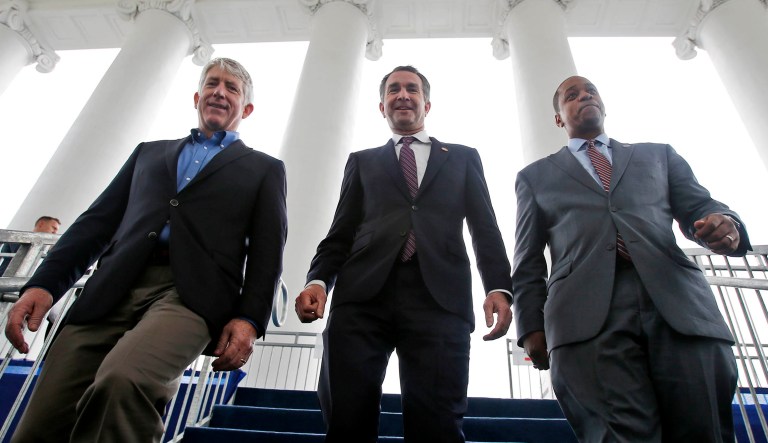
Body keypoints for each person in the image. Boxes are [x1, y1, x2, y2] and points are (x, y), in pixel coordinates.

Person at [4, 57, 287, 442]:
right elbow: (95, 224)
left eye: (232, 88)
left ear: (247, 108)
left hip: (189, 297)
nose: (219, 92)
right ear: (197, 96)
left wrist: (250, 319)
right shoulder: (147, 154)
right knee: (44, 420)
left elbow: (269, 253)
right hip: (112, 286)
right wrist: (44, 285)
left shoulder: (264, 169)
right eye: (212, 83)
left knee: (126, 380)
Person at [512, 75, 751, 442]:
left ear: (604, 105)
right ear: (559, 118)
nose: (584, 97)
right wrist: (530, 327)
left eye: (591, 91)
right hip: (586, 320)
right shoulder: (534, 177)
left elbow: (700, 206)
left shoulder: (658, 155)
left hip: (678, 306)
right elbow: (527, 259)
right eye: (571, 96)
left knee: (703, 430)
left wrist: (727, 225)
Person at [295, 65, 513, 442]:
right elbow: (341, 232)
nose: (402, 95)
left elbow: (485, 228)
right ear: (382, 107)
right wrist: (318, 281)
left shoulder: (462, 158)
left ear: (427, 103)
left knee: (438, 424)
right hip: (362, 299)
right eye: (393, 90)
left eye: (411, 89)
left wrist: (498, 287)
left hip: (439, 300)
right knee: (347, 419)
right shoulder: (362, 162)